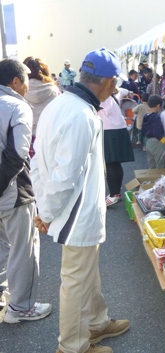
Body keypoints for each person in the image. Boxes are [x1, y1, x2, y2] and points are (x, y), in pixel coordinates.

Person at [31, 48, 130, 353]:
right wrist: (45, 212)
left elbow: (37, 160)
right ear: (106, 81)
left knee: (87, 271)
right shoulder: (81, 114)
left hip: (69, 208)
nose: (116, 89)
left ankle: (97, 324)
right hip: (74, 212)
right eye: (115, 83)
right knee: (75, 280)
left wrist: (42, 205)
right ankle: (72, 346)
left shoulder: (60, 103)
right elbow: (65, 175)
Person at [0, 59, 52, 323]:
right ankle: (21, 308)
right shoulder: (17, 106)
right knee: (24, 249)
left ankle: (3, 296)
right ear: (16, 82)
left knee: (1, 246)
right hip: (13, 191)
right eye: (24, 83)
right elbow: (19, 152)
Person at [98, 87, 135, 207]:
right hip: (120, 129)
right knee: (116, 163)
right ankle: (116, 193)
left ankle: (114, 195)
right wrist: (129, 92)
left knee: (109, 163)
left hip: (107, 130)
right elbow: (126, 91)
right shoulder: (116, 91)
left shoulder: (97, 95)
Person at [23, 57, 60, 157]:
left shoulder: (21, 91)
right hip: (50, 137)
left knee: (30, 171)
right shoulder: (55, 90)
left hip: (27, 138)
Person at [142, 95, 165, 169]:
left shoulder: (146, 116)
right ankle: (159, 180)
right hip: (157, 143)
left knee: (151, 165)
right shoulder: (156, 117)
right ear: (158, 106)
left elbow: (143, 131)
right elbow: (157, 133)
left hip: (148, 143)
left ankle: (152, 180)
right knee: (160, 165)